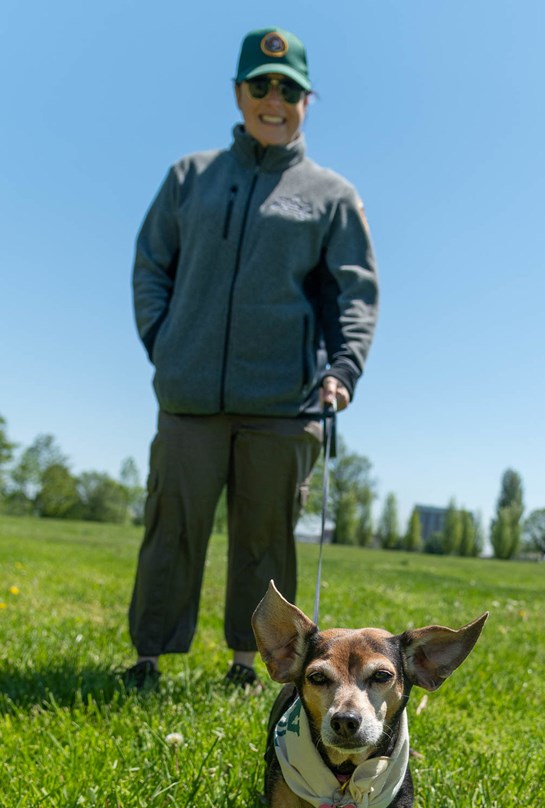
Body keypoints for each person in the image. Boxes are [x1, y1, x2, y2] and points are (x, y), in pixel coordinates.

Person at [124, 27, 379, 690]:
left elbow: (354, 291)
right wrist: (168, 342)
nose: (274, 99)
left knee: (266, 544)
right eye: (260, 85)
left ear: (306, 101)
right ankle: (148, 656)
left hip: (284, 402)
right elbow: (152, 266)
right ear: (239, 93)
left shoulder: (331, 195)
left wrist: (342, 370)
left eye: (289, 89)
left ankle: (247, 664)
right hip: (189, 399)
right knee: (170, 529)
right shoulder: (190, 178)